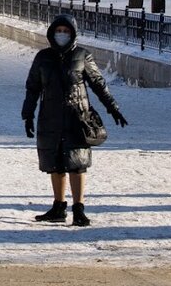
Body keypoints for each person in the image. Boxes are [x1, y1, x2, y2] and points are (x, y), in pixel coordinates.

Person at [22, 14, 128, 227]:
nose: (62, 35)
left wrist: (113, 108)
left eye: (66, 31)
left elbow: (98, 84)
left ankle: (79, 209)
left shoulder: (82, 56)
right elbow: (33, 87)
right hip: (50, 117)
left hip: (77, 117)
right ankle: (58, 207)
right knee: (55, 163)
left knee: (77, 163)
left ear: (73, 33)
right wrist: (28, 114)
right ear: (52, 33)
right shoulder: (43, 57)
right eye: (58, 31)